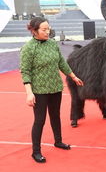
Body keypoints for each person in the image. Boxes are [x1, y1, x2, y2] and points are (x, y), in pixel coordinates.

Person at [20, 17, 84, 163]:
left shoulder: (52, 44)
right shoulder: (28, 48)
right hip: (39, 91)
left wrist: (73, 76)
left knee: (55, 116)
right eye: (44, 29)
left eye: (48, 28)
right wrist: (29, 93)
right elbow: (25, 71)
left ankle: (58, 141)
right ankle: (36, 151)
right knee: (40, 120)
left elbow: (61, 62)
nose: (47, 31)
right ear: (34, 31)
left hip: (55, 87)